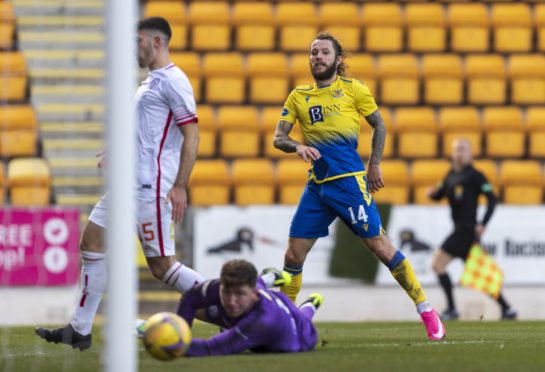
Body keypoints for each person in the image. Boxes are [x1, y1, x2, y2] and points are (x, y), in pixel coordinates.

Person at [35, 17, 204, 350]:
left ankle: (236, 304)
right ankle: (80, 329)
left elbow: (192, 134)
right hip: (128, 184)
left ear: (157, 42)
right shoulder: (150, 82)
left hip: (150, 187)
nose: (133, 47)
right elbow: (147, 135)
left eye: (138, 40)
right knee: (92, 242)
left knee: (162, 268)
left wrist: (180, 185)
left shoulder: (173, 81)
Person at [272, 32, 445, 341]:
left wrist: (374, 164)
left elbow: (379, 124)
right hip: (317, 187)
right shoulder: (299, 96)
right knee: (293, 256)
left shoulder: (354, 90)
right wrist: (297, 147)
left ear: (338, 60)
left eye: (324, 52)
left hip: (349, 183)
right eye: (314, 52)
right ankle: (284, 320)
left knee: (379, 246)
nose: (318, 57)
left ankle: (425, 307)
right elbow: (278, 138)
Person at [428, 138, 517, 320]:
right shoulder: (450, 175)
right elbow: (440, 194)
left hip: (466, 231)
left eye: (462, 149)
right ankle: (507, 309)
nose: (459, 153)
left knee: (437, 264)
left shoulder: (476, 175)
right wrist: (432, 194)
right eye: (456, 149)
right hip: (462, 232)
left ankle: (452, 309)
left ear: (470, 153)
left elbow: (492, 199)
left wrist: (483, 223)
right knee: (481, 276)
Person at [175, 259, 322, 357]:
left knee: (304, 317)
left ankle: (311, 304)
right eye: (226, 292)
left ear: (254, 293)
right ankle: (271, 276)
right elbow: (189, 299)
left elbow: (212, 348)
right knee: (225, 307)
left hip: (302, 335)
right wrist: (179, 333)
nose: (231, 301)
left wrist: (172, 344)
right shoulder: (220, 286)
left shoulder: (263, 321)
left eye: (239, 294)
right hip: (273, 300)